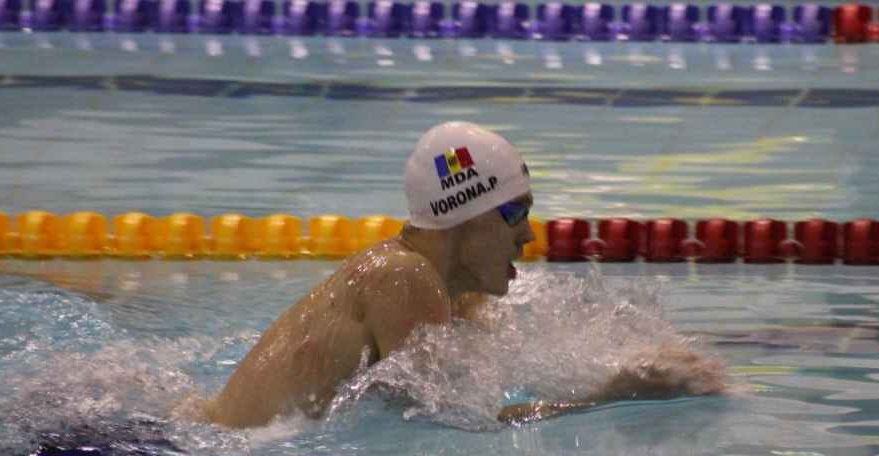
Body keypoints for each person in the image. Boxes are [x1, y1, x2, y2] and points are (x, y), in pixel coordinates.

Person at [204, 122, 725, 429]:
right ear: (465, 219)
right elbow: (449, 429)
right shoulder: (403, 277)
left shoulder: (459, 297)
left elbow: (478, 395)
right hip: (185, 450)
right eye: (515, 214)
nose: (528, 237)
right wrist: (609, 397)